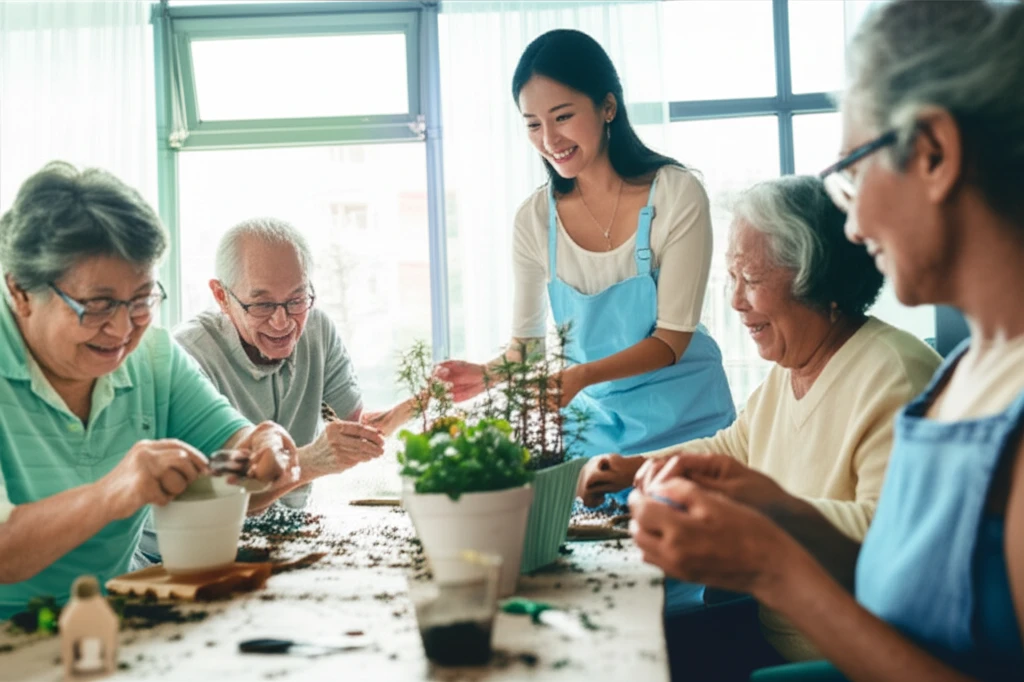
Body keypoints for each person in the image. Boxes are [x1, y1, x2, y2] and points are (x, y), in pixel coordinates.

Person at [630, 2, 1024, 681]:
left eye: (853, 171)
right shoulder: (966, 369)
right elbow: (899, 577)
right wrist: (771, 505)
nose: (851, 225)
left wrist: (771, 566)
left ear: (933, 152)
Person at [578, 175, 940, 675]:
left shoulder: (893, 375)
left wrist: (759, 514)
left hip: (841, 661)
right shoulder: (793, 370)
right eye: (732, 279)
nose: (735, 302)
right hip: (772, 630)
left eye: (750, 278)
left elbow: (887, 540)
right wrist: (633, 466)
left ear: (816, 275)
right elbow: (736, 447)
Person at [435, 29, 735, 485]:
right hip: (599, 428)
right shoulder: (535, 220)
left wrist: (579, 377)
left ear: (607, 107)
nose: (549, 138)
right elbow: (528, 347)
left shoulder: (676, 194)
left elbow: (672, 340)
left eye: (562, 116)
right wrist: (485, 374)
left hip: (687, 420)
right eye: (533, 124)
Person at [0, 162, 299, 619]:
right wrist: (113, 491)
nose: (122, 329)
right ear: (21, 292)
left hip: (109, 616)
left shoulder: (154, 358)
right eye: (97, 305)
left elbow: (241, 463)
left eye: (141, 301)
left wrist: (262, 450)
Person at [174, 217, 416, 510]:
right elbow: (212, 493)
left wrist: (421, 403)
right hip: (198, 540)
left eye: (297, 299)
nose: (282, 322)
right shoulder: (188, 356)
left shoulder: (317, 330)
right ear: (222, 296)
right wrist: (311, 461)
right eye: (262, 305)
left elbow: (351, 432)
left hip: (282, 532)